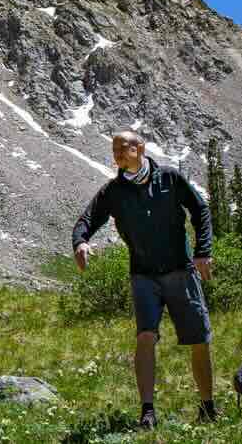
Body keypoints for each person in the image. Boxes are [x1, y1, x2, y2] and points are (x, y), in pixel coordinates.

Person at [71, 130, 216, 429]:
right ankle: (147, 412)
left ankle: (208, 406)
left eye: (123, 148)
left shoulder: (170, 179)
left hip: (181, 270)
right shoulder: (113, 192)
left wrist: (203, 251)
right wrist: (80, 243)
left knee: (199, 339)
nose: (118, 154)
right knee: (145, 337)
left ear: (140, 148)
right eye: (114, 149)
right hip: (143, 275)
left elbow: (200, 209)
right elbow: (86, 220)